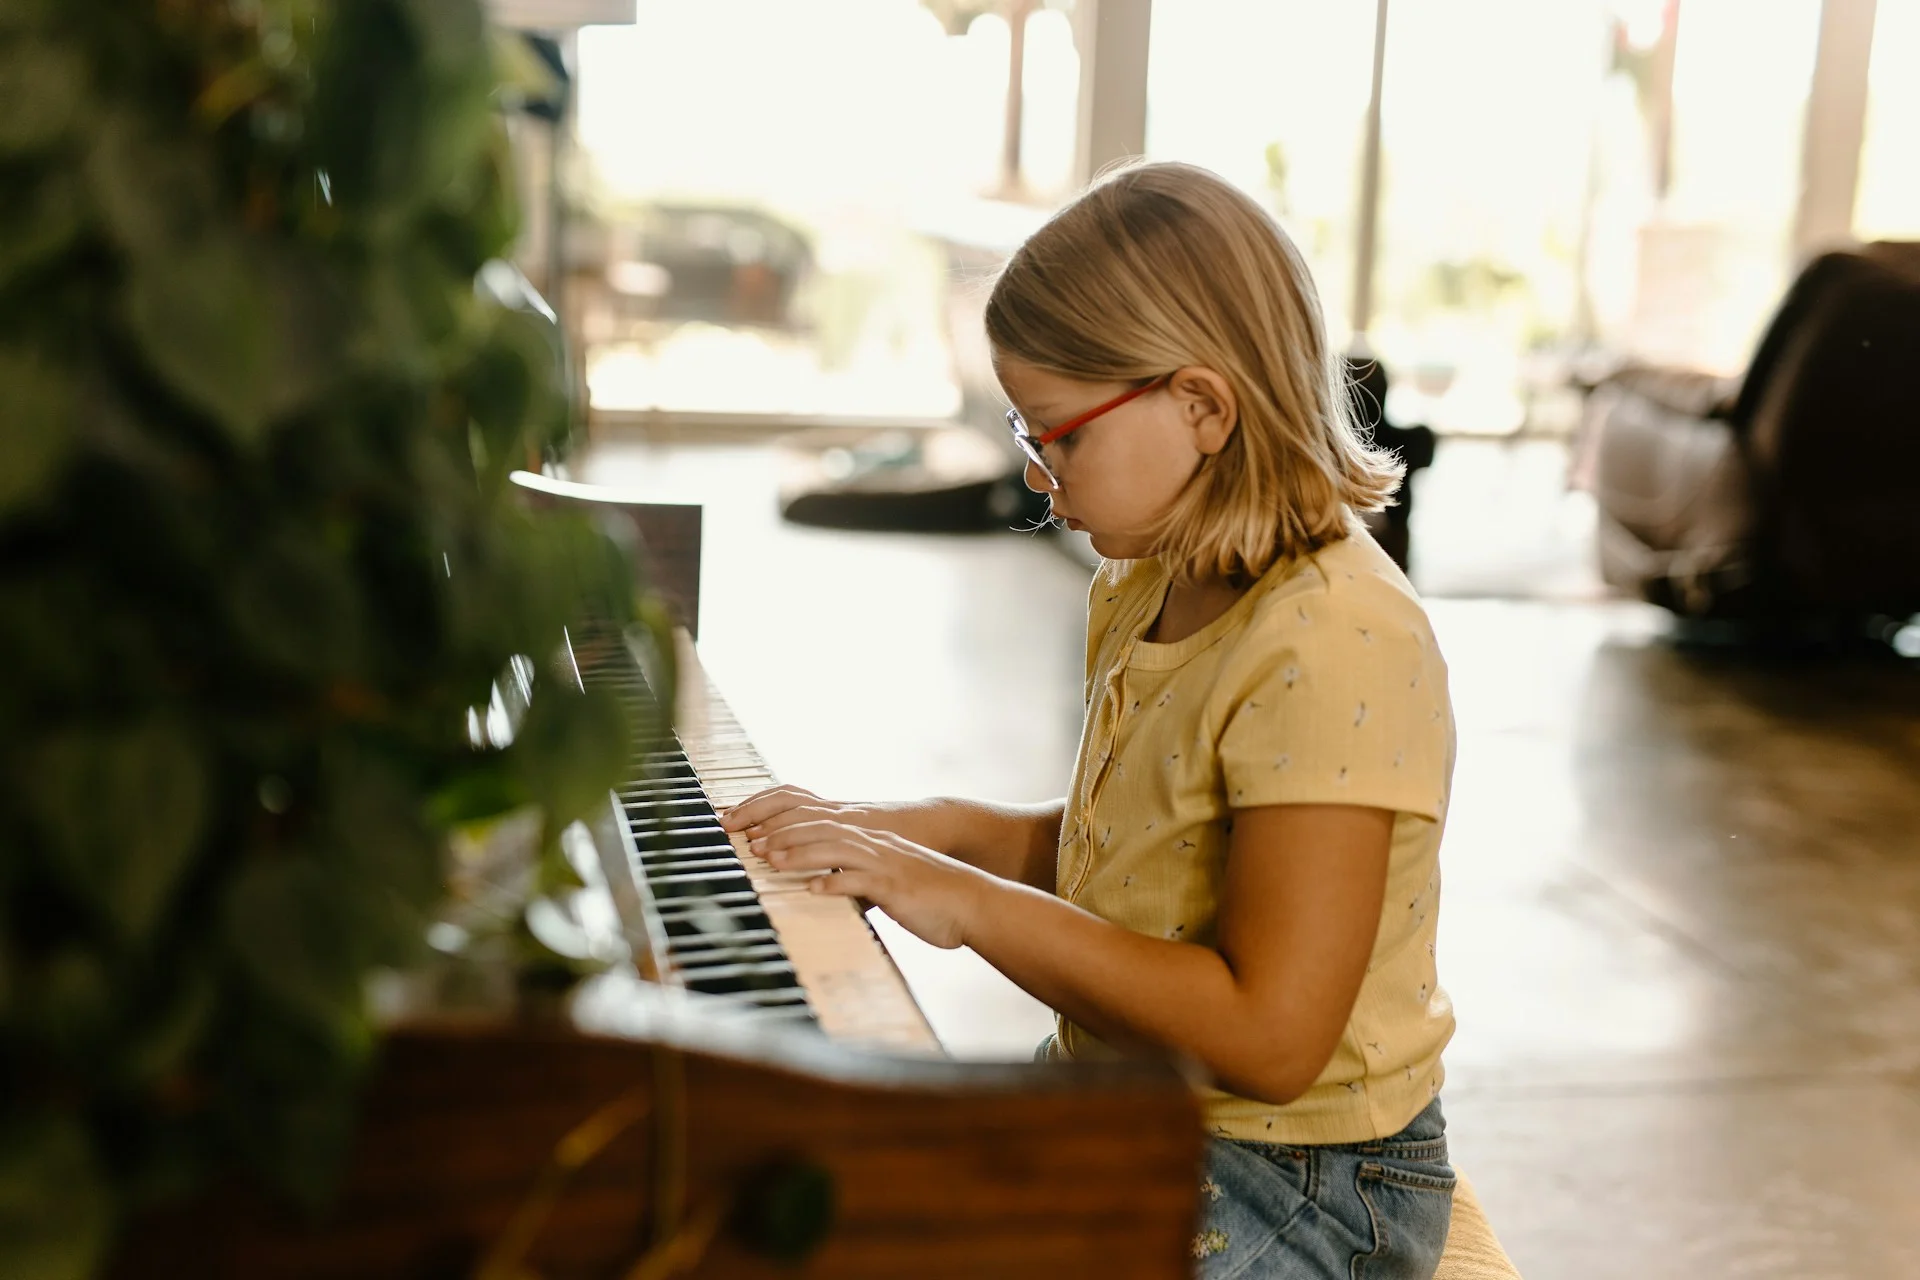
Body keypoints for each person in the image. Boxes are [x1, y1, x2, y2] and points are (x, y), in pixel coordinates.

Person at [720, 161, 1458, 1279]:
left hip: (1310, 1183)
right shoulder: (1149, 576)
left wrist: (972, 904)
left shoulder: (1334, 639)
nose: (1038, 474)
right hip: (1139, 1103)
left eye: (1061, 436)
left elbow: (1272, 1035)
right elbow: (1137, 851)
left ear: (1204, 406)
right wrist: (913, 834)